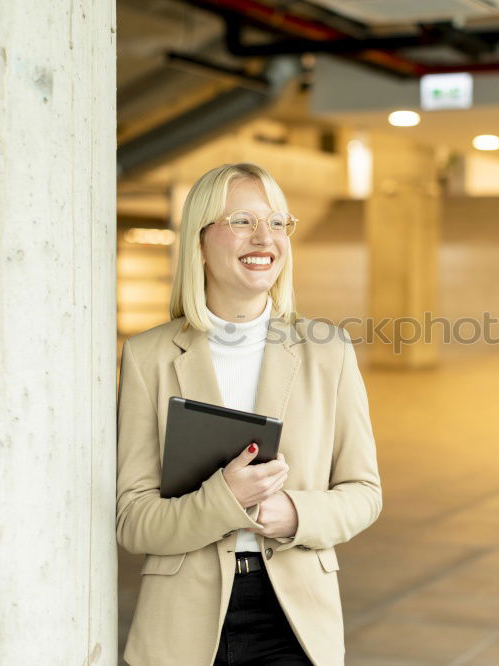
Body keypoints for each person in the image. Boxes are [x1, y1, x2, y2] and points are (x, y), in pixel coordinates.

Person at [116, 162, 383, 666]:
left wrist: (296, 514)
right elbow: (133, 522)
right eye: (241, 220)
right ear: (199, 241)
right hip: (181, 622)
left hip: (295, 621)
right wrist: (225, 501)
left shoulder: (328, 350)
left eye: (278, 221)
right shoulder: (147, 356)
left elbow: (364, 494)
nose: (265, 237)